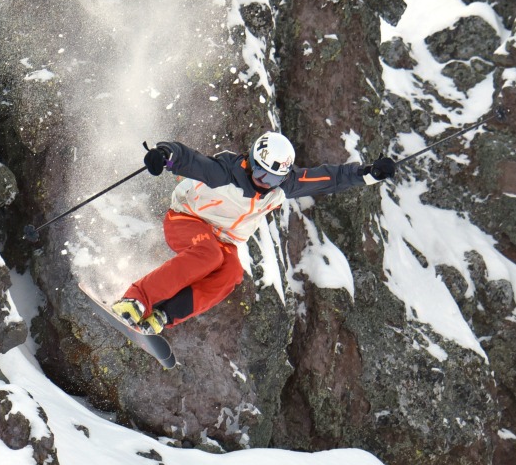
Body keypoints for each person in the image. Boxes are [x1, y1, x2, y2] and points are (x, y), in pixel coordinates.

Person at [111, 132, 396, 334]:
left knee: (231, 272)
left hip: (225, 239)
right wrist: (164, 155)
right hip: (187, 218)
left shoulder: (283, 186)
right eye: (260, 175)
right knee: (207, 255)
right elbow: (189, 158)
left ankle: (163, 315)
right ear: (251, 162)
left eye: (273, 180)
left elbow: (328, 178)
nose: (264, 184)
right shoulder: (225, 172)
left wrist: (369, 173)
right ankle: (136, 299)